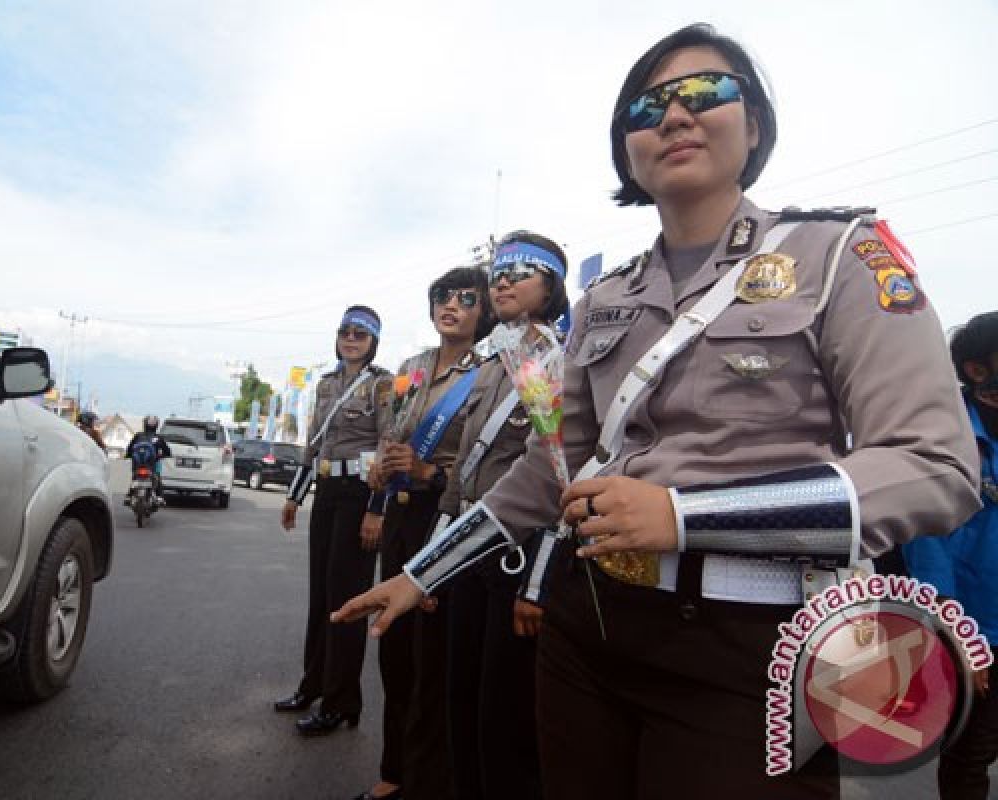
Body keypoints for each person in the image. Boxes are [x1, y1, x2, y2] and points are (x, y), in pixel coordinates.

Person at [334, 22, 980, 800]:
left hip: (752, 650)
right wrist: (419, 573)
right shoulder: (609, 297)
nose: (674, 115)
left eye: (707, 92)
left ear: (755, 125)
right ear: (627, 149)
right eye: (647, 106)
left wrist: (684, 516)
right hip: (590, 625)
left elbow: (934, 467)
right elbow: (551, 471)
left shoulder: (839, 255)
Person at [440, 230, 570, 800]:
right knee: (459, 696)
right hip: (467, 546)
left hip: (515, 556)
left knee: (505, 716)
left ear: (552, 285)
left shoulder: (554, 361)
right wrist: (433, 561)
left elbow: (560, 475)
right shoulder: (492, 361)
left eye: (521, 271)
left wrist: (538, 584)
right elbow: (463, 476)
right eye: (498, 272)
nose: (504, 281)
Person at [354, 266, 493, 800]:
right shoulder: (411, 368)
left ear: (482, 311)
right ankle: (394, 771)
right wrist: (380, 475)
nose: (449, 305)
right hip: (402, 519)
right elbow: (393, 433)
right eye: (441, 296)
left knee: (433, 658)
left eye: (464, 297)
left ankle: (429, 779)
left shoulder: (489, 370)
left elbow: (488, 463)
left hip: (447, 520)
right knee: (394, 650)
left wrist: (429, 472)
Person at [274, 306, 394, 737]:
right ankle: (312, 686)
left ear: (373, 340)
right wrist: (294, 496)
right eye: (345, 331)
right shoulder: (326, 384)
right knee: (321, 596)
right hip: (326, 492)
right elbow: (314, 443)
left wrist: (377, 508)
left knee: (347, 601)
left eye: (360, 333)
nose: (351, 338)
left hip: (360, 495)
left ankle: (342, 702)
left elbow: (388, 444)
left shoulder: (382, 384)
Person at [904, 311, 998, 800]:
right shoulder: (945, 440)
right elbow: (928, 542)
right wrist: (958, 636)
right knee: (969, 755)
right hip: (976, 630)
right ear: (978, 370)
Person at [124, 415, 171, 506]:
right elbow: (167, 452)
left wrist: (129, 455)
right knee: (157, 477)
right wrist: (160, 456)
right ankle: (159, 497)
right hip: (153, 464)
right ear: (156, 426)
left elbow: (129, 449)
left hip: (138, 464)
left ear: (145, 424)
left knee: (135, 477)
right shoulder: (158, 438)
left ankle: (129, 496)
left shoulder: (138, 435)